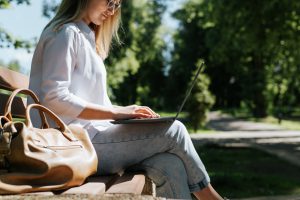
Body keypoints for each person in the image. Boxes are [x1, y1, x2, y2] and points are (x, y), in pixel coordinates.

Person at [28, 0, 224, 199]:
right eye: (109, 2)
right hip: (72, 146)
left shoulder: (85, 36)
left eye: (117, 5)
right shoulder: (65, 33)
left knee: (168, 164)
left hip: (91, 140)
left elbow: (88, 102)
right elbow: (54, 97)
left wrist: (128, 111)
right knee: (174, 131)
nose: (112, 11)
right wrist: (118, 113)